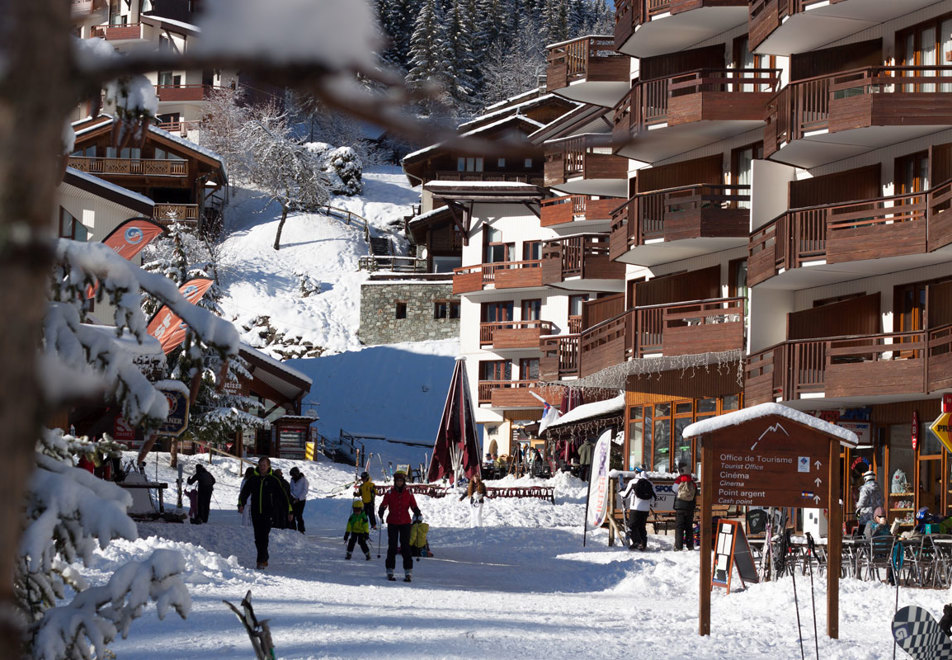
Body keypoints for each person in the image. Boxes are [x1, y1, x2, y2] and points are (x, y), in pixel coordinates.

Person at [238, 457, 293, 569]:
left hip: (268, 513)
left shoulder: (273, 479)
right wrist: (241, 504)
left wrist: (289, 510)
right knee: (258, 537)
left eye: (264, 465)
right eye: (261, 465)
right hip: (255, 512)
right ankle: (264, 556)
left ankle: (261, 560)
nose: (262, 467)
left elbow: (284, 496)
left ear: (268, 466)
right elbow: (244, 492)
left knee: (264, 536)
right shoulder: (253, 479)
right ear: (258, 465)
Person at [378, 470, 421, 582]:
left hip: (405, 522)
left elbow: (413, 505)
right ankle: (390, 570)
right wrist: (381, 509)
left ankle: (408, 571)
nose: (399, 483)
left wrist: (416, 511)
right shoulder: (390, 492)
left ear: (404, 482)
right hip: (392, 522)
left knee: (405, 547)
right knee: (392, 546)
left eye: (401, 481)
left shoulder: (408, 492)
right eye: (397, 481)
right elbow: (384, 503)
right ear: (395, 481)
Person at [620, 466, 654, 550]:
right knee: (642, 526)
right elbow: (654, 496)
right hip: (645, 509)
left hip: (635, 507)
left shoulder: (633, 482)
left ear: (636, 473)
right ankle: (643, 544)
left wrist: (620, 492)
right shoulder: (650, 483)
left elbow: (626, 495)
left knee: (631, 526)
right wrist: (649, 504)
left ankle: (637, 542)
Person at [672, 462, 697, 551]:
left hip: (680, 506)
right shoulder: (692, 480)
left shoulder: (679, 479)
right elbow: (695, 492)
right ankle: (690, 545)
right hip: (690, 507)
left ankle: (678, 546)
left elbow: (674, 489)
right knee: (689, 527)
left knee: (679, 527)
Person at [288, 466, 309, 534]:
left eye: (293, 475)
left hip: (301, 500)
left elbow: (305, 491)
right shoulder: (292, 480)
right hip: (293, 499)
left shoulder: (304, 480)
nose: (293, 476)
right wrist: (292, 497)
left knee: (299, 515)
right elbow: (290, 489)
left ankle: (301, 530)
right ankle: (293, 529)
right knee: (292, 514)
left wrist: (299, 499)